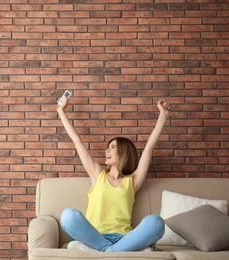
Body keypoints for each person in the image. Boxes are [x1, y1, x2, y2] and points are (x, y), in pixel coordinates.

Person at [57, 95, 171, 252]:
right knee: (68, 215)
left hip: (124, 237)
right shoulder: (97, 174)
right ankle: (114, 251)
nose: (106, 150)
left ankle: (105, 252)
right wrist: (61, 111)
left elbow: (149, 148)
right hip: (94, 236)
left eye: (112, 147)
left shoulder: (133, 181)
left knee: (156, 222)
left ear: (123, 152)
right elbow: (76, 141)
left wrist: (163, 115)